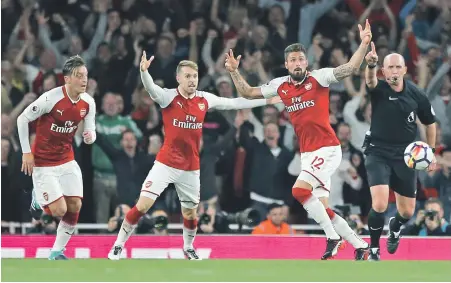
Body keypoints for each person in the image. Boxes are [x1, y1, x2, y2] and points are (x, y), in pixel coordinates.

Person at [108, 52, 280, 261]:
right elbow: (151, 90)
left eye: (195, 76)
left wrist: (266, 100)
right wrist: (144, 72)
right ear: (178, 78)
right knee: (143, 205)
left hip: (191, 168)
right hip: (166, 164)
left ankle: (188, 247)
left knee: (190, 214)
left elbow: (235, 103)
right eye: (188, 76)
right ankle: (118, 245)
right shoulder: (168, 97)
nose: (192, 80)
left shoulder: (204, 99)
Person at [224, 20, 374, 260]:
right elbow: (248, 93)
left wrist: (364, 43)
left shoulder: (319, 78)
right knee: (322, 208)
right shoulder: (280, 85)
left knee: (299, 190)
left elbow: (350, 68)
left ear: (307, 62)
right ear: (286, 64)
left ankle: (333, 238)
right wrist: (233, 71)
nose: (297, 63)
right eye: (292, 60)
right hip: (308, 154)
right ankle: (359, 245)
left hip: (328, 149)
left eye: (300, 59)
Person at [17, 55, 96, 260]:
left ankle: (57, 251)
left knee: (75, 206)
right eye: (79, 76)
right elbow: (22, 118)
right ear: (67, 79)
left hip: (67, 160)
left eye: (85, 75)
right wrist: (27, 152)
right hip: (43, 164)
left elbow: (91, 131)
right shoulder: (50, 99)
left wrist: (89, 136)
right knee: (59, 209)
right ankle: (37, 198)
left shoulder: (88, 102)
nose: (84, 80)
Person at [363, 43, 437, 260]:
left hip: (406, 155)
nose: (394, 72)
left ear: (405, 70)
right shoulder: (379, 88)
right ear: (383, 71)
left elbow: (430, 123)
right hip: (377, 151)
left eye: (397, 67)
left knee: (406, 212)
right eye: (389, 68)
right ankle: (374, 248)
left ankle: (395, 227)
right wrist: (370, 65)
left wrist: (430, 152)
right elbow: (369, 80)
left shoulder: (417, 94)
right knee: (380, 203)